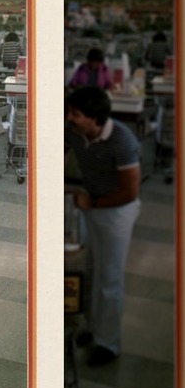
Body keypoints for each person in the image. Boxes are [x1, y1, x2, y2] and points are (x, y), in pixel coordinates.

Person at [64, 86, 141, 367]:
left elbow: (130, 192)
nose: (69, 117)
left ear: (94, 118)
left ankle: (108, 343)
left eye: (76, 114)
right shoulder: (75, 131)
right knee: (91, 270)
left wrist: (92, 202)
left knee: (109, 278)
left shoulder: (121, 140)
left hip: (117, 212)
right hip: (91, 205)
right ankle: (93, 328)